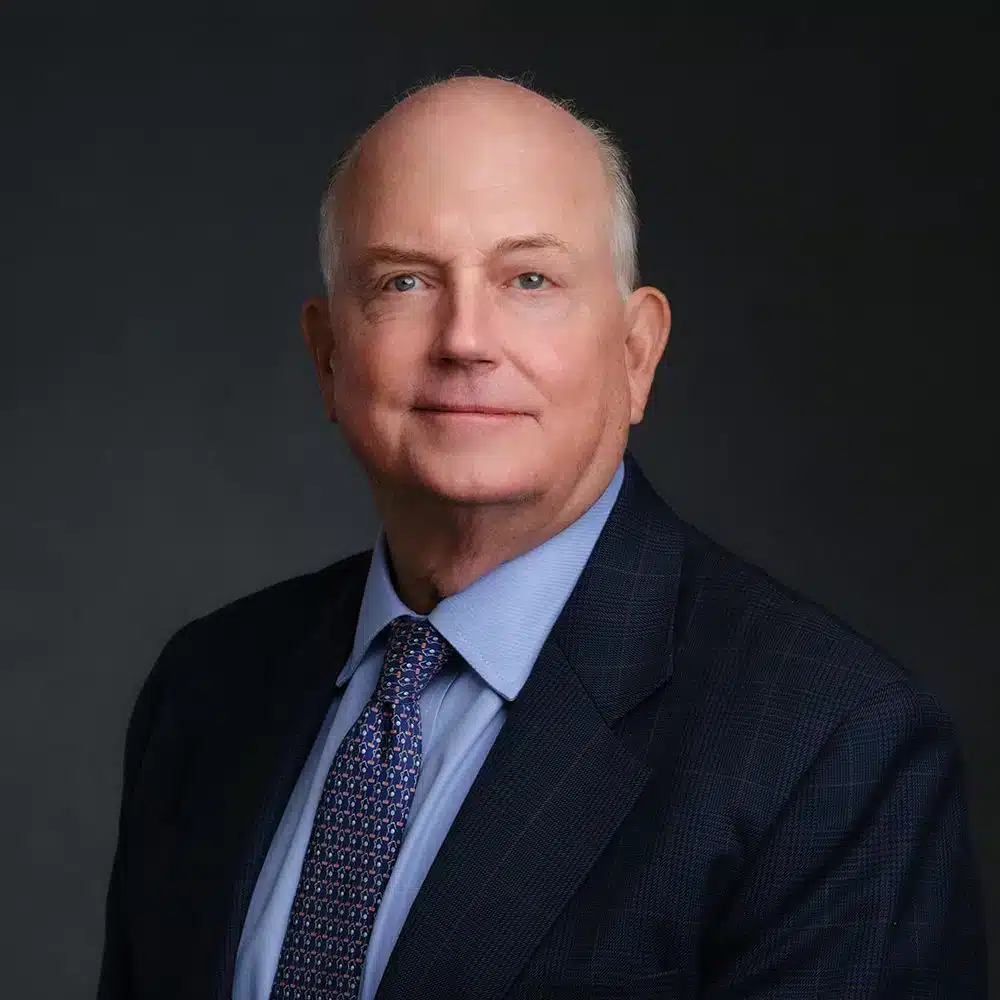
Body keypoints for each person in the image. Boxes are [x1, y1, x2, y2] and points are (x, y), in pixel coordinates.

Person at [96, 74, 986, 1000]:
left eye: (530, 279)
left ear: (637, 353)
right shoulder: (205, 691)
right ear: (328, 357)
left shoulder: (831, 746)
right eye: (405, 280)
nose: (465, 339)